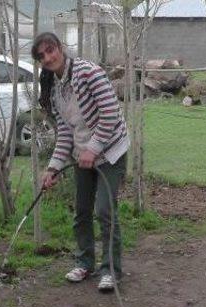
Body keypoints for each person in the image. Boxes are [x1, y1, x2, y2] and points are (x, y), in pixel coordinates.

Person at [31, 32, 130, 292]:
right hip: (82, 156)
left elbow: (110, 114)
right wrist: (53, 167)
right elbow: (65, 131)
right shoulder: (54, 87)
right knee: (82, 210)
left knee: (105, 210)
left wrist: (94, 148)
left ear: (61, 48)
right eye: (41, 56)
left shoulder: (89, 73)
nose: (48, 57)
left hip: (110, 151)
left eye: (50, 50)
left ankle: (111, 270)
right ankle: (85, 262)